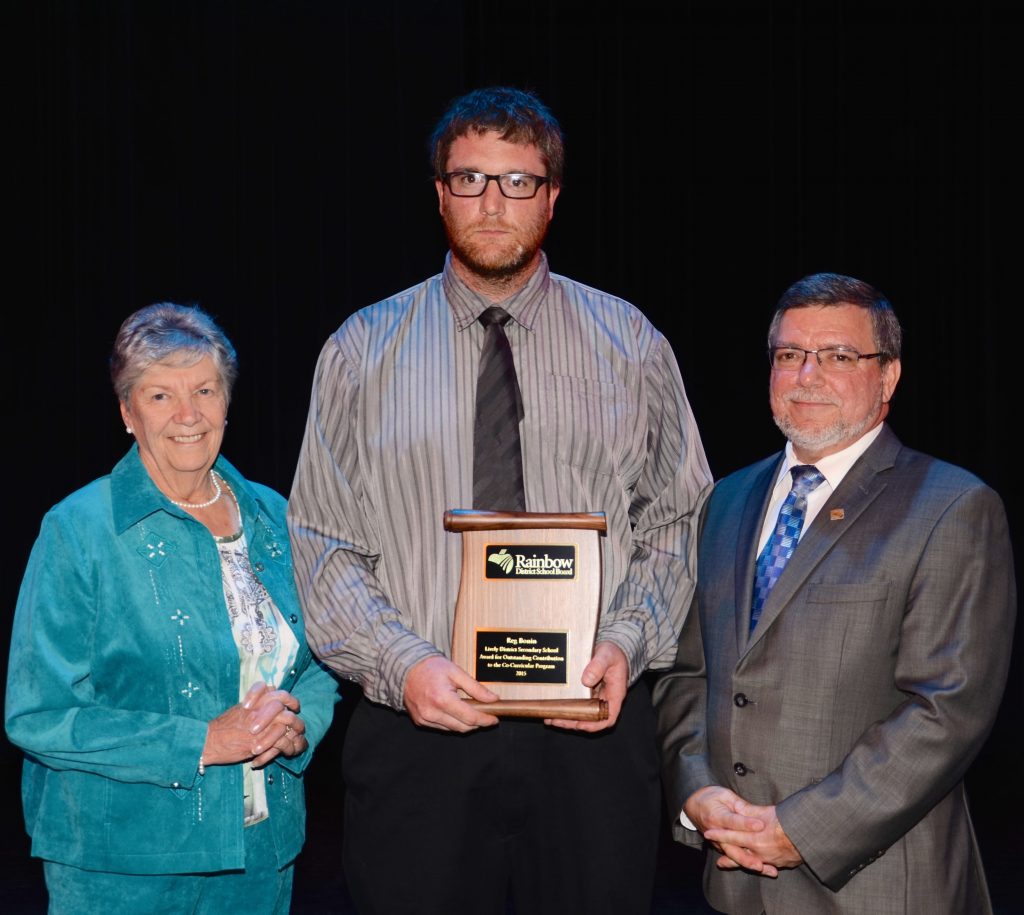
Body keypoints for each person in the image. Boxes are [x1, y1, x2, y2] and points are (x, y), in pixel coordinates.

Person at [287, 86, 711, 914]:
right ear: (438, 193)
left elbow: (677, 520)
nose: (491, 203)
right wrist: (401, 664)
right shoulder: (360, 350)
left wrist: (625, 644)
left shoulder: (631, 341)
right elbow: (323, 539)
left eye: (517, 182)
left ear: (552, 197)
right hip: (417, 731)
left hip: (592, 730)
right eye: (469, 179)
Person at [653, 272, 1016, 914]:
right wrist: (695, 792)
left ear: (889, 377)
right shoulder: (726, 501)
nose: (807, 375)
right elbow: (689, 674)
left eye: (839, 356)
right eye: (790, 355)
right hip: (733, 882)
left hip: (877, 888)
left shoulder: (953, 507)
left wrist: (799, 831)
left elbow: (947, 711)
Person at [5, 303, 339, 914]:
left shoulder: (274, 516)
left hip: (261, 856)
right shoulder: (79, 530)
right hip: (123, 868)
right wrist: (202, 742)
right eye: (160, 396)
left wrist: (300, 728)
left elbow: (320, 658)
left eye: (205, 390)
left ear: (227, 403)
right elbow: (38, 714)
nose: (188, 415)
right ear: (127, 413)